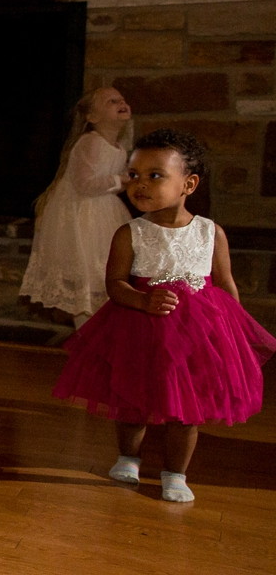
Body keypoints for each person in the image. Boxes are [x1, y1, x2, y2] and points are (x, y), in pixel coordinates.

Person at [53, 130, 275, 503]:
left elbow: (224, 284)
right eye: (134, 174)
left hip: (198, 336)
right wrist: (141, 301)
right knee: (133, 399)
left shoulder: (210, 233)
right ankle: (128, 456)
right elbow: (115, 283)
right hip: (142, 329)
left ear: (188, 184)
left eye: (155, 175)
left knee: (188, 411)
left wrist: (232, 334)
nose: (139, 184)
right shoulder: (131, 233)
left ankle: (176, 473)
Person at [20, 87, 132, 325]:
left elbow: (109, 184)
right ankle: (86, 336)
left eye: (122, 99)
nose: (121, 102)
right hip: (83, 218)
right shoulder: (90, 142)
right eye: (112, 101)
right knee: (87, 277)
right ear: (92, 117)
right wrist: (120, 179)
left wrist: (125, 182)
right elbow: (84, 184)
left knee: (105, 276)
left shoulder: (121, 148)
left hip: (105, 214)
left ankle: (101, 334)